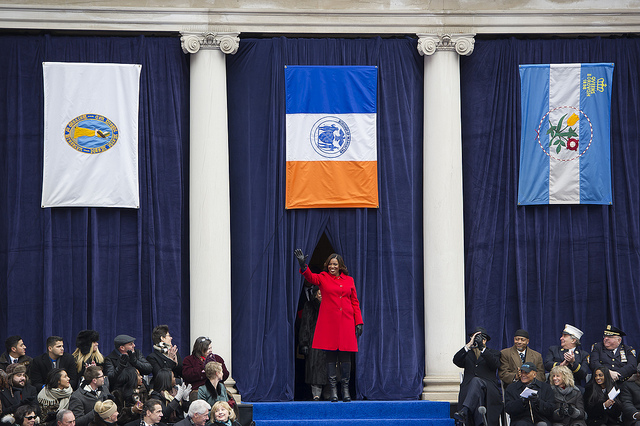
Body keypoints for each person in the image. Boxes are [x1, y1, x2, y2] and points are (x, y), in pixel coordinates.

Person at [294, 249, 363, 403]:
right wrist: (303, 265)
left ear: (340, 266)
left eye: (335, 264)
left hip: (345, 321)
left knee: (346, 357)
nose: (332, 266)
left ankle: (345, 390)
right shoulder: (323, 278)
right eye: (330, 264)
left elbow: (354, 301)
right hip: (329, 324)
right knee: (330, 357)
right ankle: (333, 392)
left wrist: (358, 321)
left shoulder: (349, 280)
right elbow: (311, 277)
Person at [452, 327, 502, 426]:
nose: (476, 340)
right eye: (474, 337)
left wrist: (482, 348)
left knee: (476, 381)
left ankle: (465, 410)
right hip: (469, 389)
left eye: (479, 338)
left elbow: (495, 365)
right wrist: (468, 345)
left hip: (488, 388)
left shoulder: (493, 353)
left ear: (485, 340)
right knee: (477, 392)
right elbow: (456, 361)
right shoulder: (467, 354)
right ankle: (480, 423)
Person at [298, 286, 327, 401]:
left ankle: (329, 392)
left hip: (329, 342)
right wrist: (304, 343)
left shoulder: (331, 306)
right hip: (314, 341)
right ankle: (316, 394)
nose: (321, 295)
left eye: (323, 293)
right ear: (315, 294)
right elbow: (305, 326)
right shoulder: (309, 306)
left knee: (330, 369)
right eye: (319, 293)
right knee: (315, 370)